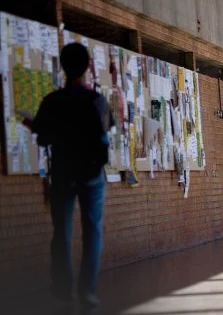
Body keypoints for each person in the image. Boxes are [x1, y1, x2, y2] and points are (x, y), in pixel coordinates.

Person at [24, 43, 113, 307]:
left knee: (61, 231)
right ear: (87, 67)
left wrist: (30, 122)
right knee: (92, 230)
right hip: (92, 174)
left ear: (63, 67)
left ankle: (63, 287)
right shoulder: (97, 101)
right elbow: (104, 133)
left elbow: (43, 137)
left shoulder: (53, 101)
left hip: (63, 172)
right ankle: (87, 290)